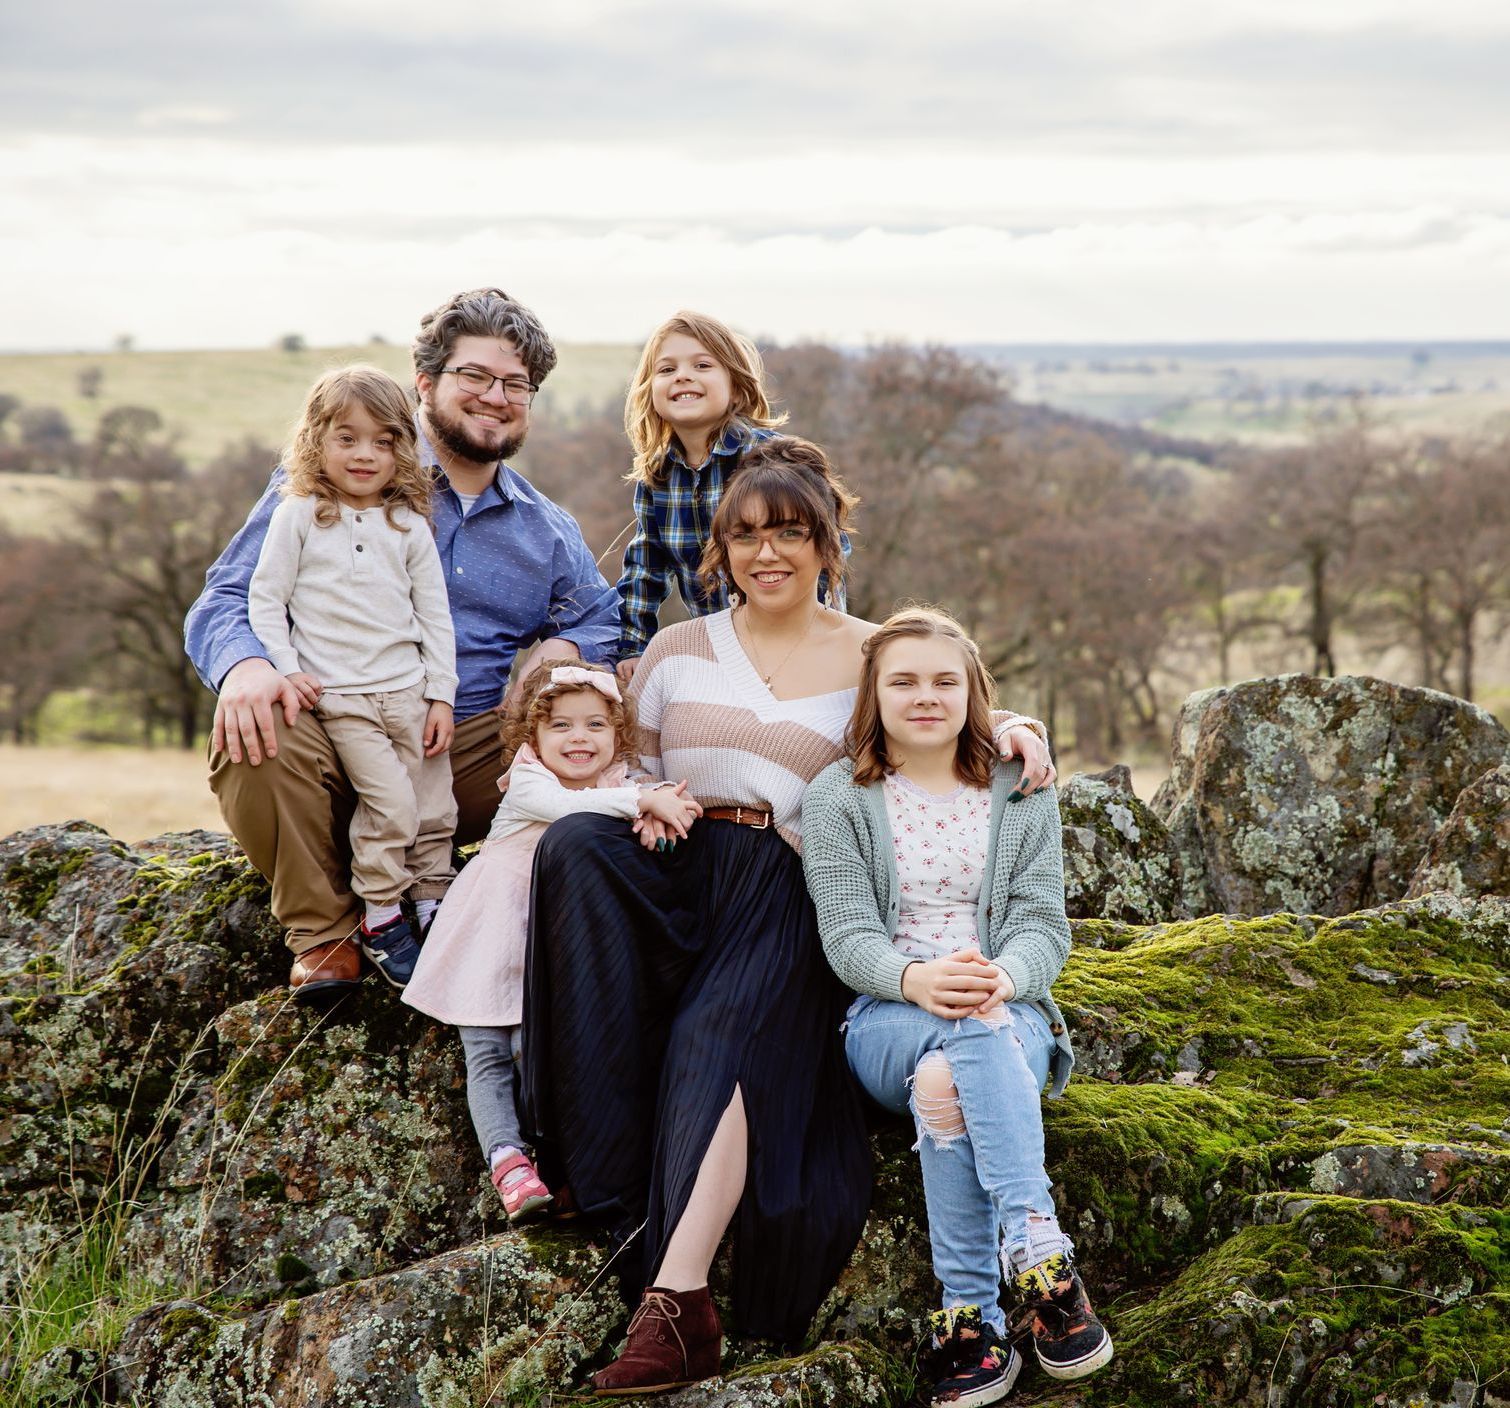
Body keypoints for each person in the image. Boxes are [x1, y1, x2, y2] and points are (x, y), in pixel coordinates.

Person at [521, 436, 1056, 1396]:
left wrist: (1014, 728)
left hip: (786, 874)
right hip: (676, 862)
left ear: (827, 546)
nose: (768, 553)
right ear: (717, 549)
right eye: (746, 535)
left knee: (713, 1035)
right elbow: (623, 767)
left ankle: (676, 1303)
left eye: (791, 533)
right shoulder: (680, 650)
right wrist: (637, 804)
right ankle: (594, 1170)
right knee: (571, 850)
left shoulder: (867, 654)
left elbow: (942, 702)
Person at [184, 288, 620, 1000]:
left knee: (581, 738)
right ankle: (327, 935)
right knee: (254, 731)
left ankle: (466, 904)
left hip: (455, 742)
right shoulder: (329, 482)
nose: (494, 397)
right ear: (426, 383)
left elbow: (610, 619)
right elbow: (227, 596)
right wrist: (246, 667)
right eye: (474, 376)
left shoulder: (543, 530)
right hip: (332, 720)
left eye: (515, 385)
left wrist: (564, 648)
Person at [802, 607, 1113, 1408]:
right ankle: (1041, 1252)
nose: (925, 697)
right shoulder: (838, 797)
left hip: (1010, 1016)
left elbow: (1044, 923)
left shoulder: (1021, 785)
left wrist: (1002, 980)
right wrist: (917, 980)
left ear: (976, 693)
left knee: (947, 1079)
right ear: (872, 694)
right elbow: (846, 937)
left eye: (946, 681)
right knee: (946, 1036)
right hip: (885, 1018)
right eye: (903, 681)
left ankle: (970, 1313)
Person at [401, 659, 700, 1220]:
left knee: (541, 1050)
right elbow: (566, 812)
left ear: (619, 735)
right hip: (494, 931)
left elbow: (651, 806)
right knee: (489, 1052)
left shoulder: (623, 783)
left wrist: (662, 808)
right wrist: (642, 803)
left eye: (595, 725)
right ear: (532, 737)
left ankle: (559, 1162)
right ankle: (508, 1160)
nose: (578, 738)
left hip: (557, 946)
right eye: (560, 726)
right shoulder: (530, 781)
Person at [247, 366, 457, 991]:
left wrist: (441, 694)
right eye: (347, 438)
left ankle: (431, 902)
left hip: (411, 692)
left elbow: (434, 618)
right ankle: (381, 914)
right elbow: (265, 602)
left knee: (433, 807)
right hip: (346, 699)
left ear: (404, 449)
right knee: (389, 805)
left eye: (384, 440)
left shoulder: (408, 525)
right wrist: (289, 670)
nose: (366, 454)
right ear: (317, 441)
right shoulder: (301, 517)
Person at [614, 311, 846, 684]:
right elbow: (645, 568)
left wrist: (816, 637)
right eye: (666, 369)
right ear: (649, 391)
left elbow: (827, 550)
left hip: (796, 642)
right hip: (721, 652)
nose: (683, 376)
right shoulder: (657, 477)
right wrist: (632, 647)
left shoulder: (771, 461)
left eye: (702, 365)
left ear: (736, 388)